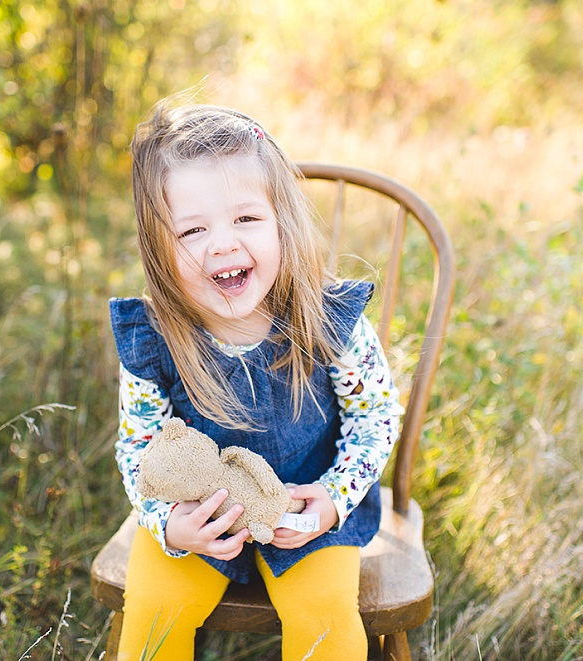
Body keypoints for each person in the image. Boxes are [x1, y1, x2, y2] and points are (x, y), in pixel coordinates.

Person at [108, 101, 404, 661]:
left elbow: (375, 418)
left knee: (323, 620)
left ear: (280, 223)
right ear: (160, 249)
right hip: (200, 514)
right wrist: (167, 524)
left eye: (245, 219)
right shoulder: (156, 337)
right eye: (192, 230)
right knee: (151, 611)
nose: (222, 244)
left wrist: (334, 499)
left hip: (306, 512)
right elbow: (138, 449)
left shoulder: (327, 320)